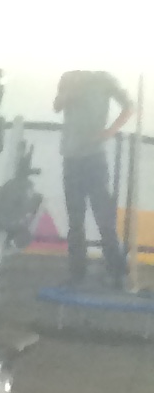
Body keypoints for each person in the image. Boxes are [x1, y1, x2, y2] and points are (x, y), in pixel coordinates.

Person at [53, 68, 135, 289]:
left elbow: (129, 106)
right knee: (75, 221)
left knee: (104, 218)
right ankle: (77, 273)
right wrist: (70, 91)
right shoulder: (68, 76)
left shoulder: (104, 79)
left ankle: (116, 272)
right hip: (71, 159)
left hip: (94, 158)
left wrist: (110, 131)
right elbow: (57, 106)